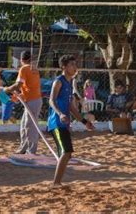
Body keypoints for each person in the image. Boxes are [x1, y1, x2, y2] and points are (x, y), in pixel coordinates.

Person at [48, 55, 94, 187]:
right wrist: (60, 113)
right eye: (72, 65)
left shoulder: (69, 84)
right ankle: (56, 183)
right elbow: (51, 100)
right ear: (64, 67)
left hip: (64, 123)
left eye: (75, 64)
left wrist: (85, 122)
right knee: (66, 152)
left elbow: (71, 107)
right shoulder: (59, 81)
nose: (75, 67)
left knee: (67, 154)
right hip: (56, 122)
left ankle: (57, 182)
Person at [4, 51, 42, 155]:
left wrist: (7, 89)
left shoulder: (24, 68)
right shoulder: (34, 68)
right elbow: (29, 86)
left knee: (30, 126)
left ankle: (31, 150)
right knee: (25, 124)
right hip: (33, 100)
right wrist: (20, 95)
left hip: (33, 101)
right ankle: (24, 148)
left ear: (22, 60)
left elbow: (18, 85)